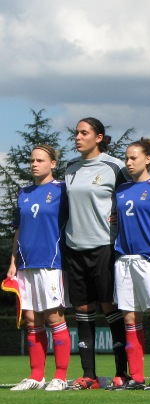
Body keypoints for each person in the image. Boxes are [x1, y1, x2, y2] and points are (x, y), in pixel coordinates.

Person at [65, 118, 130, 390]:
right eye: (76, 133)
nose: (78, 137)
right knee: (82, 310)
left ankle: (120, 373)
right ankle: (88, 375)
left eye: (84, 133)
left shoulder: (116, 166)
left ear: (99, 137)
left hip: (104, 246)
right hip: (74, 247)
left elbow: (132, 198)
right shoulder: (69, 169)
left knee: (109, 307)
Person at [111, 138, 150, 390]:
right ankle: (136, 377)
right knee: (130, 319)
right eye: (126, 158)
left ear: (148, 159)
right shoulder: (121, 190)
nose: (128, 162)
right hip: (123, 260)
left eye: (133, 157)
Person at [7, 145, 71, 391]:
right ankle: (36, 376)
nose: (34, 164)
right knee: (32, 320)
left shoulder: (62, 191)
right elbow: (18, 230)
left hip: (51, 263)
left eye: (40, 160)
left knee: (54, 317)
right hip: (25, 264)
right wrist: (13, 261)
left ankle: (61, 376)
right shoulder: (23, 193)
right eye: (32, 160)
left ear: (53, 163)